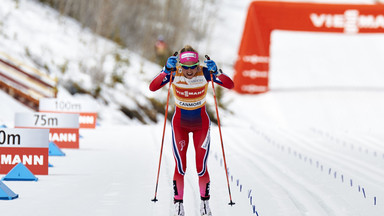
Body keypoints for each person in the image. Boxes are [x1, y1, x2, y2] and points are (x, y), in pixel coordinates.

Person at [149, 45, 234, 216]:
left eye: (193, 67)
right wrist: (165, 70)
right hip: (180, 124)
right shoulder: (174, 73)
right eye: (186, 67)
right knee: (180, 166)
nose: (189, 71)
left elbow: (230, 85)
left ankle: (205, 205)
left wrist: (216, 72)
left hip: (200, 124)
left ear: (197, 64)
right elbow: (153, 87)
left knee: (201, 167)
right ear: (180, 64)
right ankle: (179, 205)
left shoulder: (204, 73)